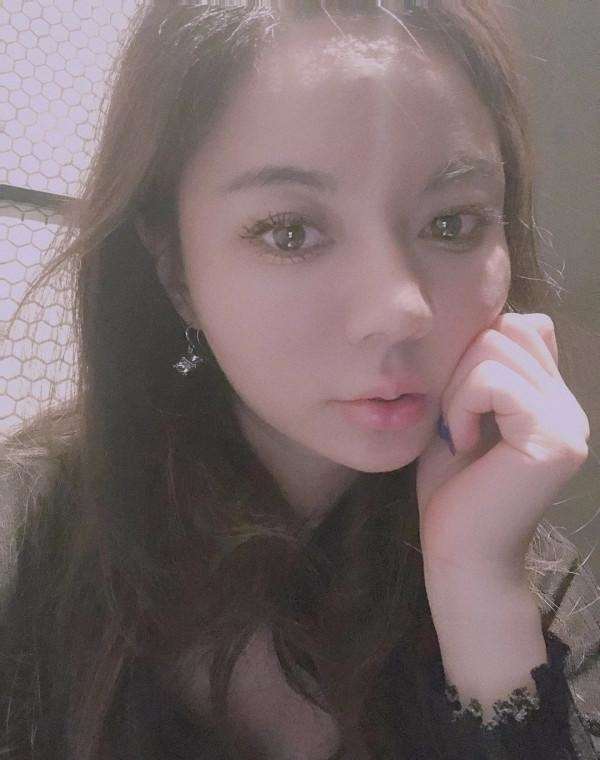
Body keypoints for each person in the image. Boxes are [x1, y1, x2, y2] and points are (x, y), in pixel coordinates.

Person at [1, 0, 599, 758]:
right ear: (176, 271)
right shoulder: (26, 542)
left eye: (452, 223)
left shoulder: (528, 579)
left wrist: (479, 594)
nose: (400, 310)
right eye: (290, 232)